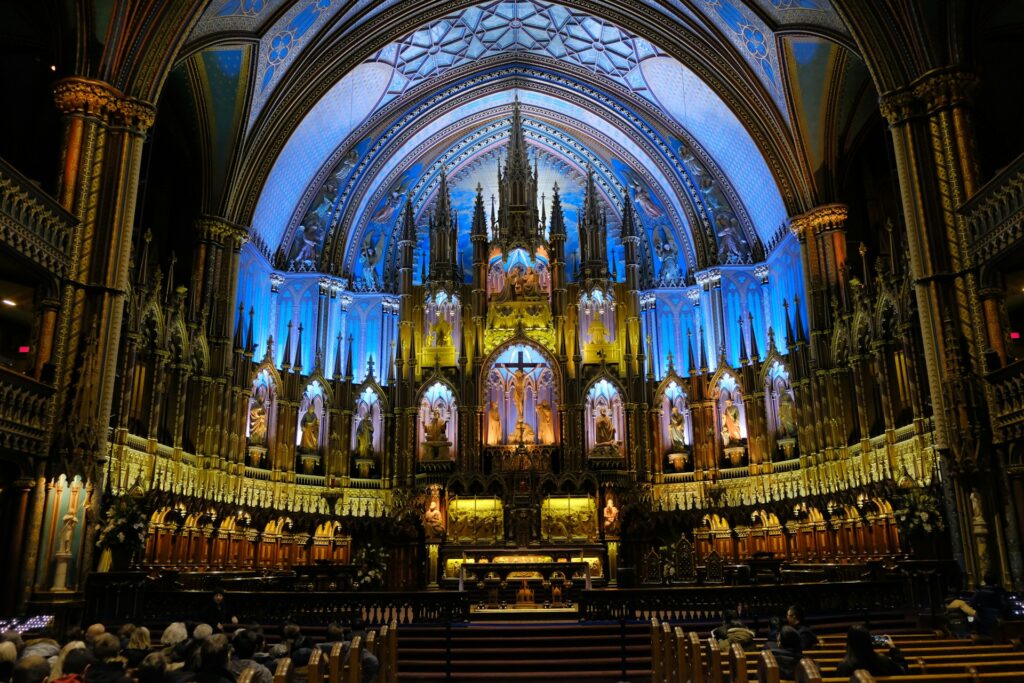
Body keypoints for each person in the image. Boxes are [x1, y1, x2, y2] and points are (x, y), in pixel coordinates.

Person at [947, 571, 1012, 636]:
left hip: (985, 617)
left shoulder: (980, 591)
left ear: (985, 580)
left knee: (986, 636)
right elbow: (1005, 604)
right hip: (999, 616)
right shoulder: (1001, 591)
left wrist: (979, 609)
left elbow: (972, 603)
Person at [835, 624, 907, 677]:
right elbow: (903, 671)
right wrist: (893, 647)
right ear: (869, 641)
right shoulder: (883, 661)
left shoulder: (843, 667)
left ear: (849, 643)